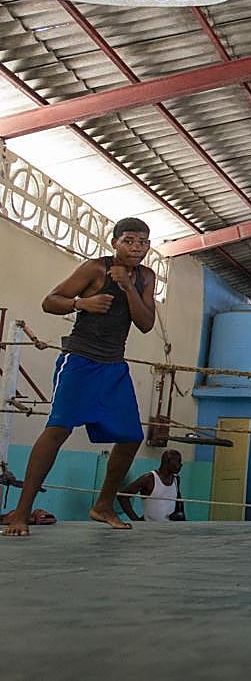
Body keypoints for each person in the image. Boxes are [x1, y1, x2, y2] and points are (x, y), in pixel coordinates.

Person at [2, 218, 156, 537]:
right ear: (114, 242)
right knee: (57, 430)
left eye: (143, 242)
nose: (136, 247)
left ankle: (103, 506)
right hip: (80, 362)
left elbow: (146, 323)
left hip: (113, 366)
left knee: (131, 437)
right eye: (129, 240)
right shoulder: (95, 269)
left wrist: (128, 287)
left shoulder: (145, 277)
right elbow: (50, 301)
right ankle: (22, 511)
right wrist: (80, 303)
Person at [119, 449, 185, 522]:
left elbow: (178, 499)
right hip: (150, 529)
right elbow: (122, 496)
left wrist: (181, 515)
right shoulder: (149, 479)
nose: (181, 465)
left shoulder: (176, 480)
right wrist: (136, 520)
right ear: (168, 462)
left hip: (170, 529)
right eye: (178, 462)